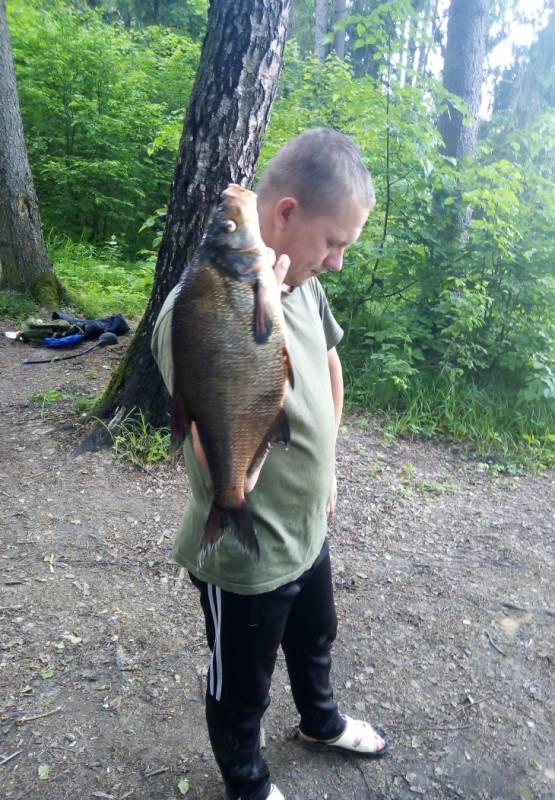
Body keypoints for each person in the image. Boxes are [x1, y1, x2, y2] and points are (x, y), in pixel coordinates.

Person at [151, 128, 387, 800]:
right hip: (246, 554)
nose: (336, 261)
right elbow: (216, 453)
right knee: (241, 683)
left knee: (317, 635)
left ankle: (318, 721)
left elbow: (330, 361)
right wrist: (260, 336)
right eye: (333, 242)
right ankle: (246, 782)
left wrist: (330, 465)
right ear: (285, 214)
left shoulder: (298, 277)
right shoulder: (197, 312)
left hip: (306, 526)